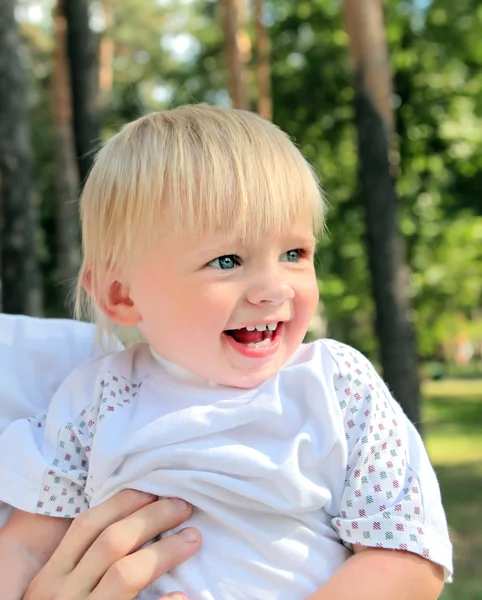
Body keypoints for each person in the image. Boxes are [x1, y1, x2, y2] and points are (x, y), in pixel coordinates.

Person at [0, 105, 452, 600]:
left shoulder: (338, 386)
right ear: (122, 296)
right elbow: (26, 548)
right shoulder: (94, 399)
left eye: (294, 253)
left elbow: (405, 557)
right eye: (227, 260)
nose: (274, 288)